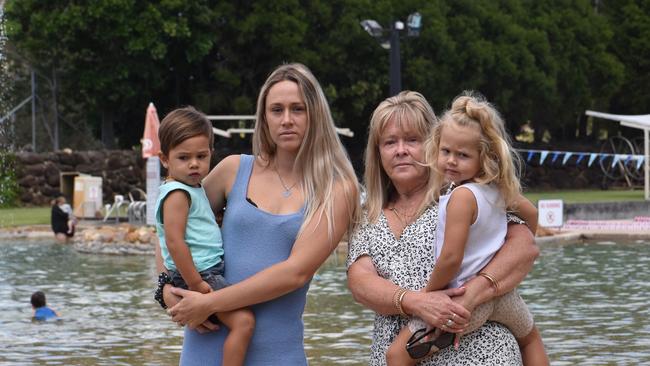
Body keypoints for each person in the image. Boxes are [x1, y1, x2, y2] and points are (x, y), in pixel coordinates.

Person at [156, 63, 359, 365]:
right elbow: (168, 230)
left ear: (315, 114)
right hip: (203, 347)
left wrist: (209, 301)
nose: (287, 120)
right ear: (264, 118)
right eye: (276, 110)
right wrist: (166, 290)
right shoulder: (232, 170)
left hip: (278, 354)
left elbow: (295, 273)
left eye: (298, 109)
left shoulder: (336, 190)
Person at [347, 91, 543, 365]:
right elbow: (359, 282)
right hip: (401, 351)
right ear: (377, 152)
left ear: (433, 142)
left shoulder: (463, 193)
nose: (401, 150)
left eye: (412, 140)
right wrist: (416, 302)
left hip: (481, 354)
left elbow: (524, 246)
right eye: (390, 142)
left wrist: (477, 290)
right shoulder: (367, 214)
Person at [155, 106, 255, 366]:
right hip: (201, 274)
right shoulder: (178, 193)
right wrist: (197, 283)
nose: (194, 164)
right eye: (183, 157)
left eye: (201, 156)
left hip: (203, 271)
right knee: (244, 322)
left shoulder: (193, 188)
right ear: (164, 159)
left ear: (211, 152)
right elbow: (174, 241)